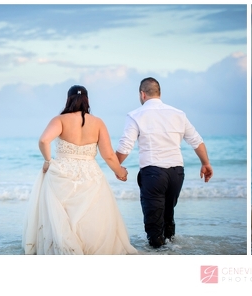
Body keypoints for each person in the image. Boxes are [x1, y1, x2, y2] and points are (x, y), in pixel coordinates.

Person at [23, 85, 137, 255]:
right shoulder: (97, 123)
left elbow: (43, 141)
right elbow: (108, 156)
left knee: (63, 215)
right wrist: (120, 172)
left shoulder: (60, 120)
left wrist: (48, 161)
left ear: (68, 100)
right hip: (90, 174)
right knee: (90, 216)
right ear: (88, 100)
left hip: (62, 172)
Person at [116, 77, 213, 248]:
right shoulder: (178, 114)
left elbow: (125, 146)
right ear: (159, 93)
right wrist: (205, 163)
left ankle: (158, 254)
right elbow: (197, 141)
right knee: (168, 215)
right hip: (177, 173)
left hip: (153, 173)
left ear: (142, 94)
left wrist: (115, 166)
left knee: (154, 221)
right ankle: (171, 250)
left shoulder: (135, 115)